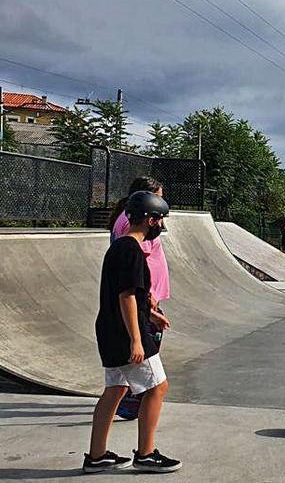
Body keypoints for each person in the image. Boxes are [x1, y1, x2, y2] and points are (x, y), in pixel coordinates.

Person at [84, 191, 180, 473]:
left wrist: (151, 314)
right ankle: (146, 454)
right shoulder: (132, 250)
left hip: (110, 330)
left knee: (115, 389)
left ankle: (97, 455)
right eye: (159, 220)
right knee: (157, 387)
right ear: (150, 220)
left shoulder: (119, 247)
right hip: (126, 333)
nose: (161, 226)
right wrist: (137, 340)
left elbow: (125, 295)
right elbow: (126, 296)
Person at [109, 178, 171, 421]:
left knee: (145, 353)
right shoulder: (129, 226)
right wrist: (149, 302)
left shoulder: (132, 220)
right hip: (144, 298)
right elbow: (130, 276)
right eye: (159, 197)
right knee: (144, 356)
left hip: (148, 297)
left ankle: (133, 396)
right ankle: (134, 400)